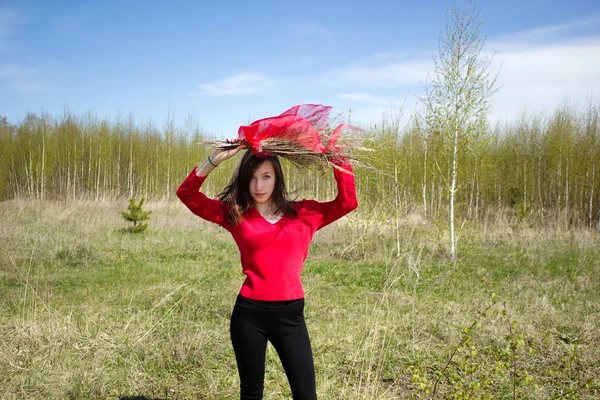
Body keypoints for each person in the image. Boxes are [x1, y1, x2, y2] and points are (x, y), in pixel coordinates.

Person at [176, 138, 358, 400]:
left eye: (265, 177)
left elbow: (347, 202)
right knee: (251, 394)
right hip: (249, 316)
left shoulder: (304, 213)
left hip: (291, 318)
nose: (258, 186)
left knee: (306, 395)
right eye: (251, 178)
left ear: (277, 178)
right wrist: (215, 159)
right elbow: (187, 194)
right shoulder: (235, 214)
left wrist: (336, 158)